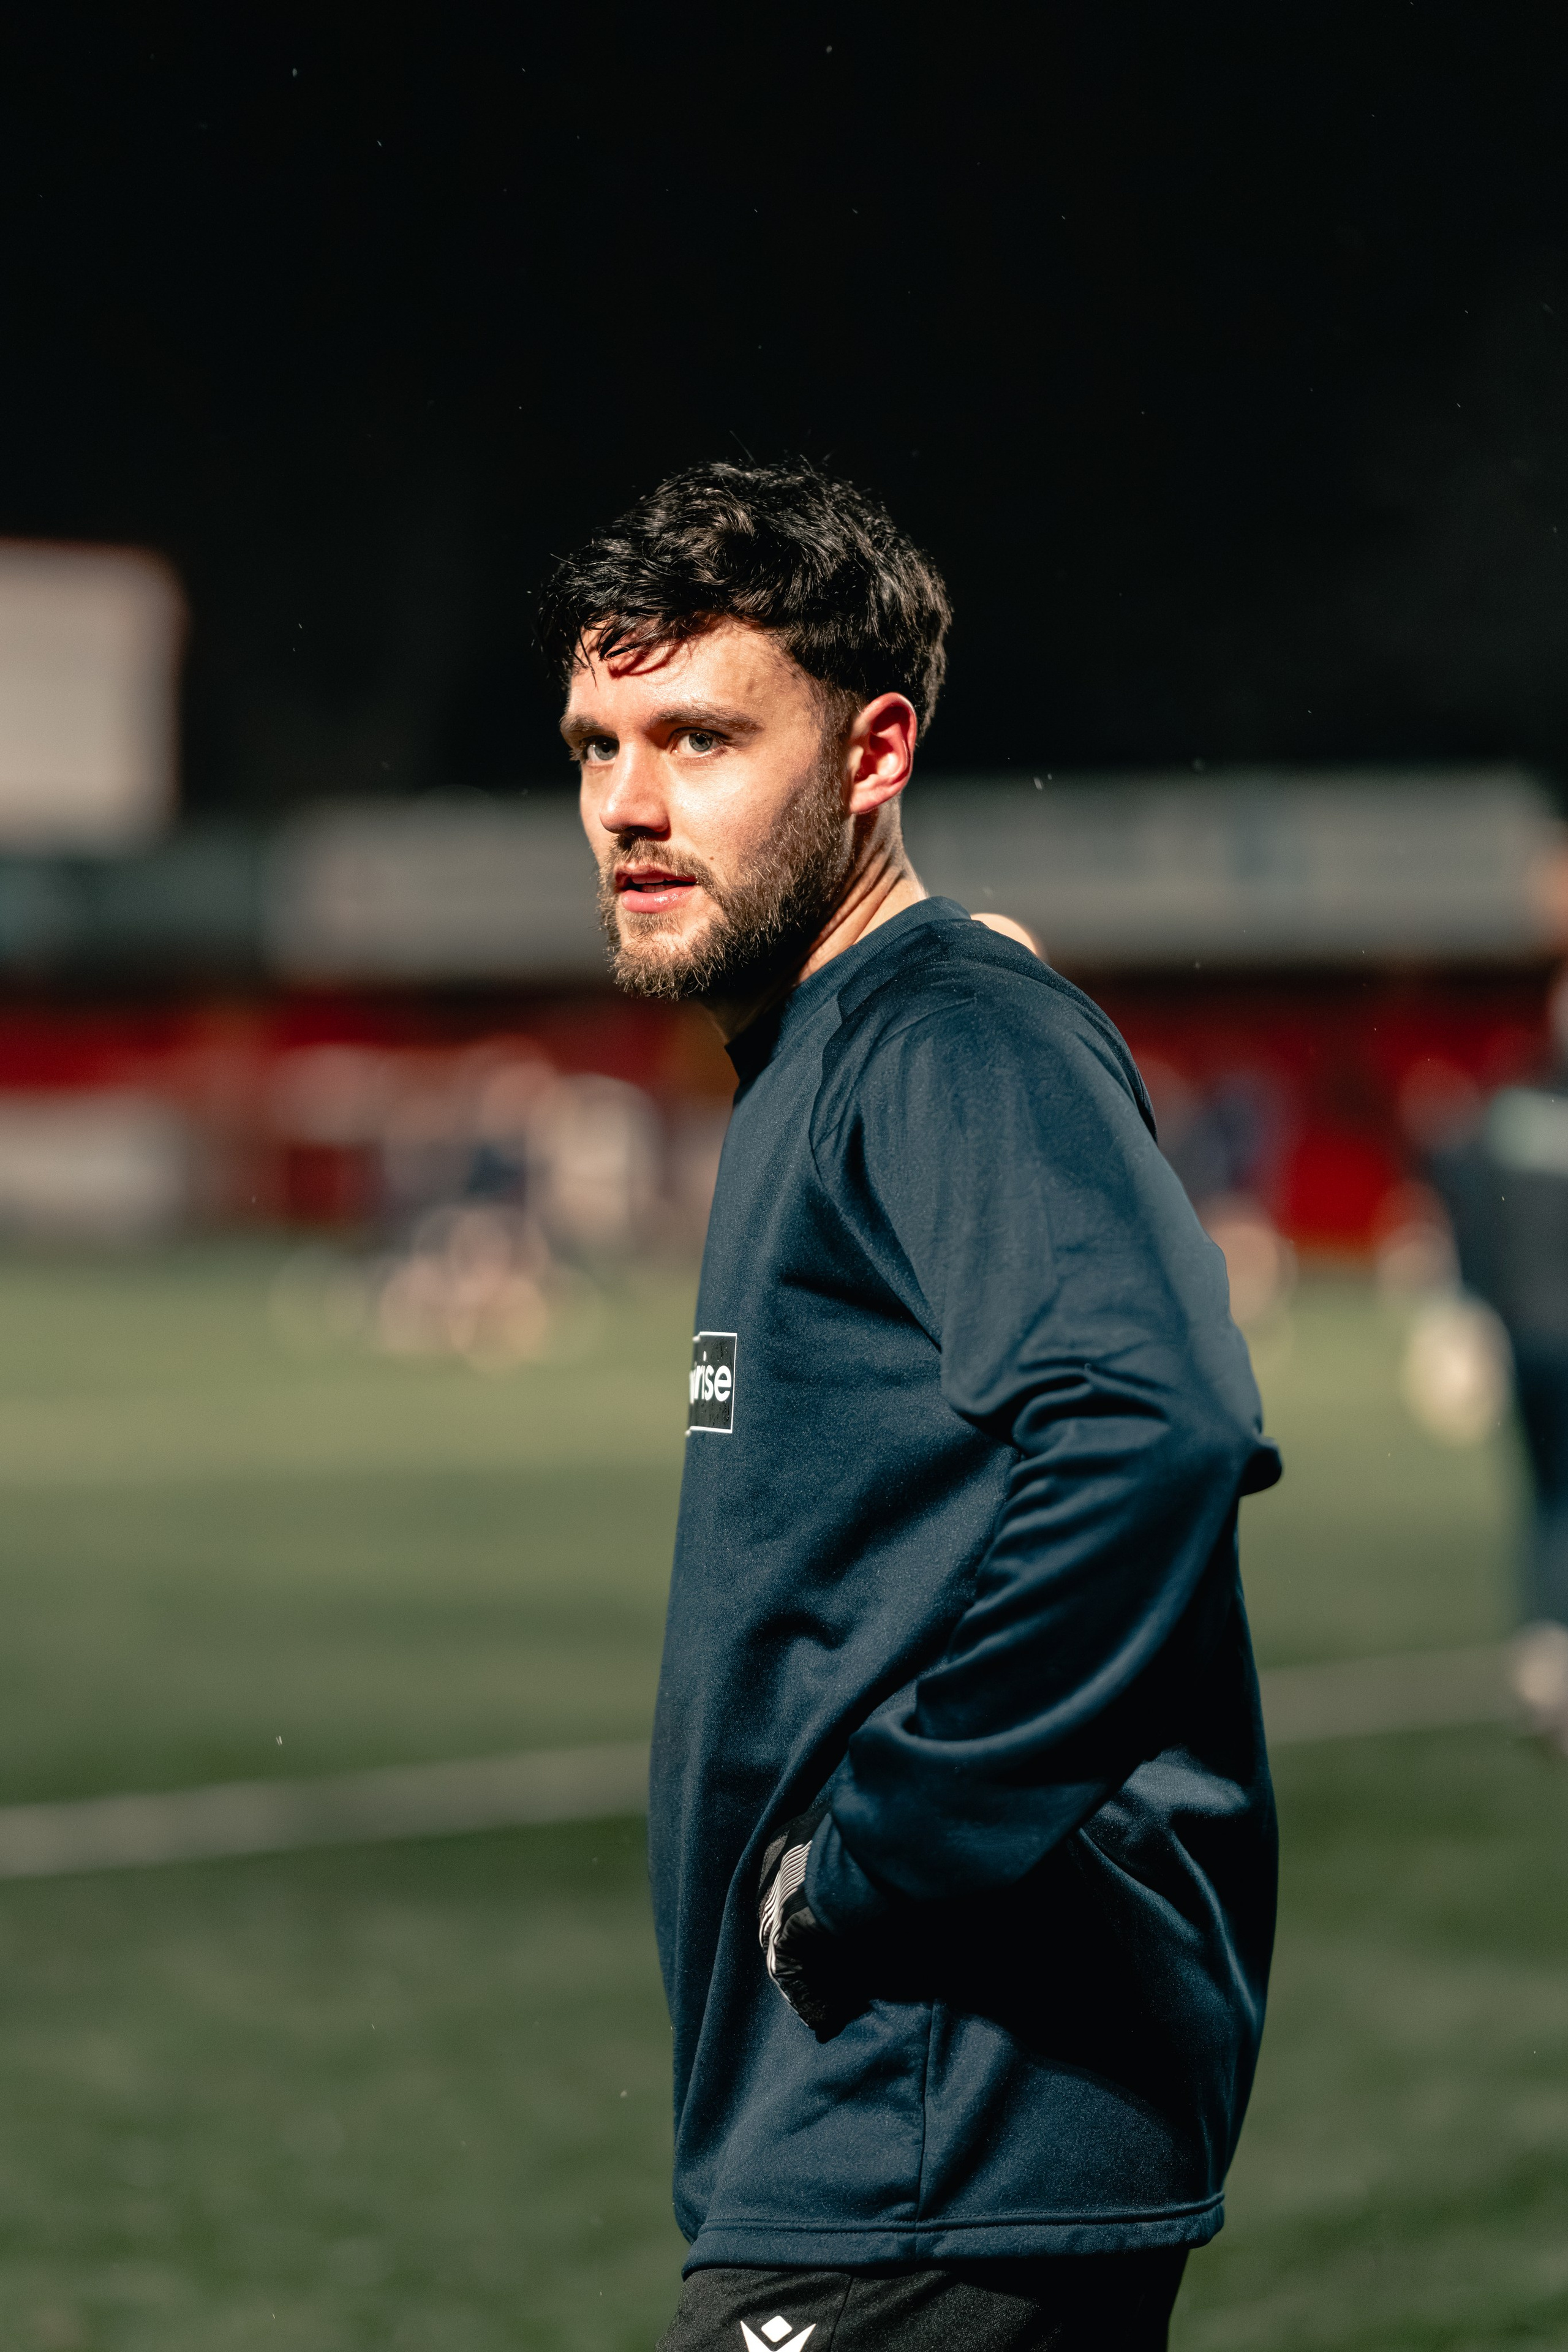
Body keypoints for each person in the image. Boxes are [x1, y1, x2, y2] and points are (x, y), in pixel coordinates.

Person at [540, 462, 1281, 2352]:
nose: (628, 802)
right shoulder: (815, 1052)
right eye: (597, 742)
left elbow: (1150, 1422)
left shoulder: (947, 1032)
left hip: (934, 2107)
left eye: (702, 736)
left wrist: (888, 1853)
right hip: (870, 2118)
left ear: (875, 751)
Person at [1425, 976, 1568, 1741]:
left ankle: (1543, 1651)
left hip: (1525, 1335)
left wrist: (1473, 1311)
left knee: (1543, 1495)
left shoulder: (1508, 1109)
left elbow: (1472, 1217)